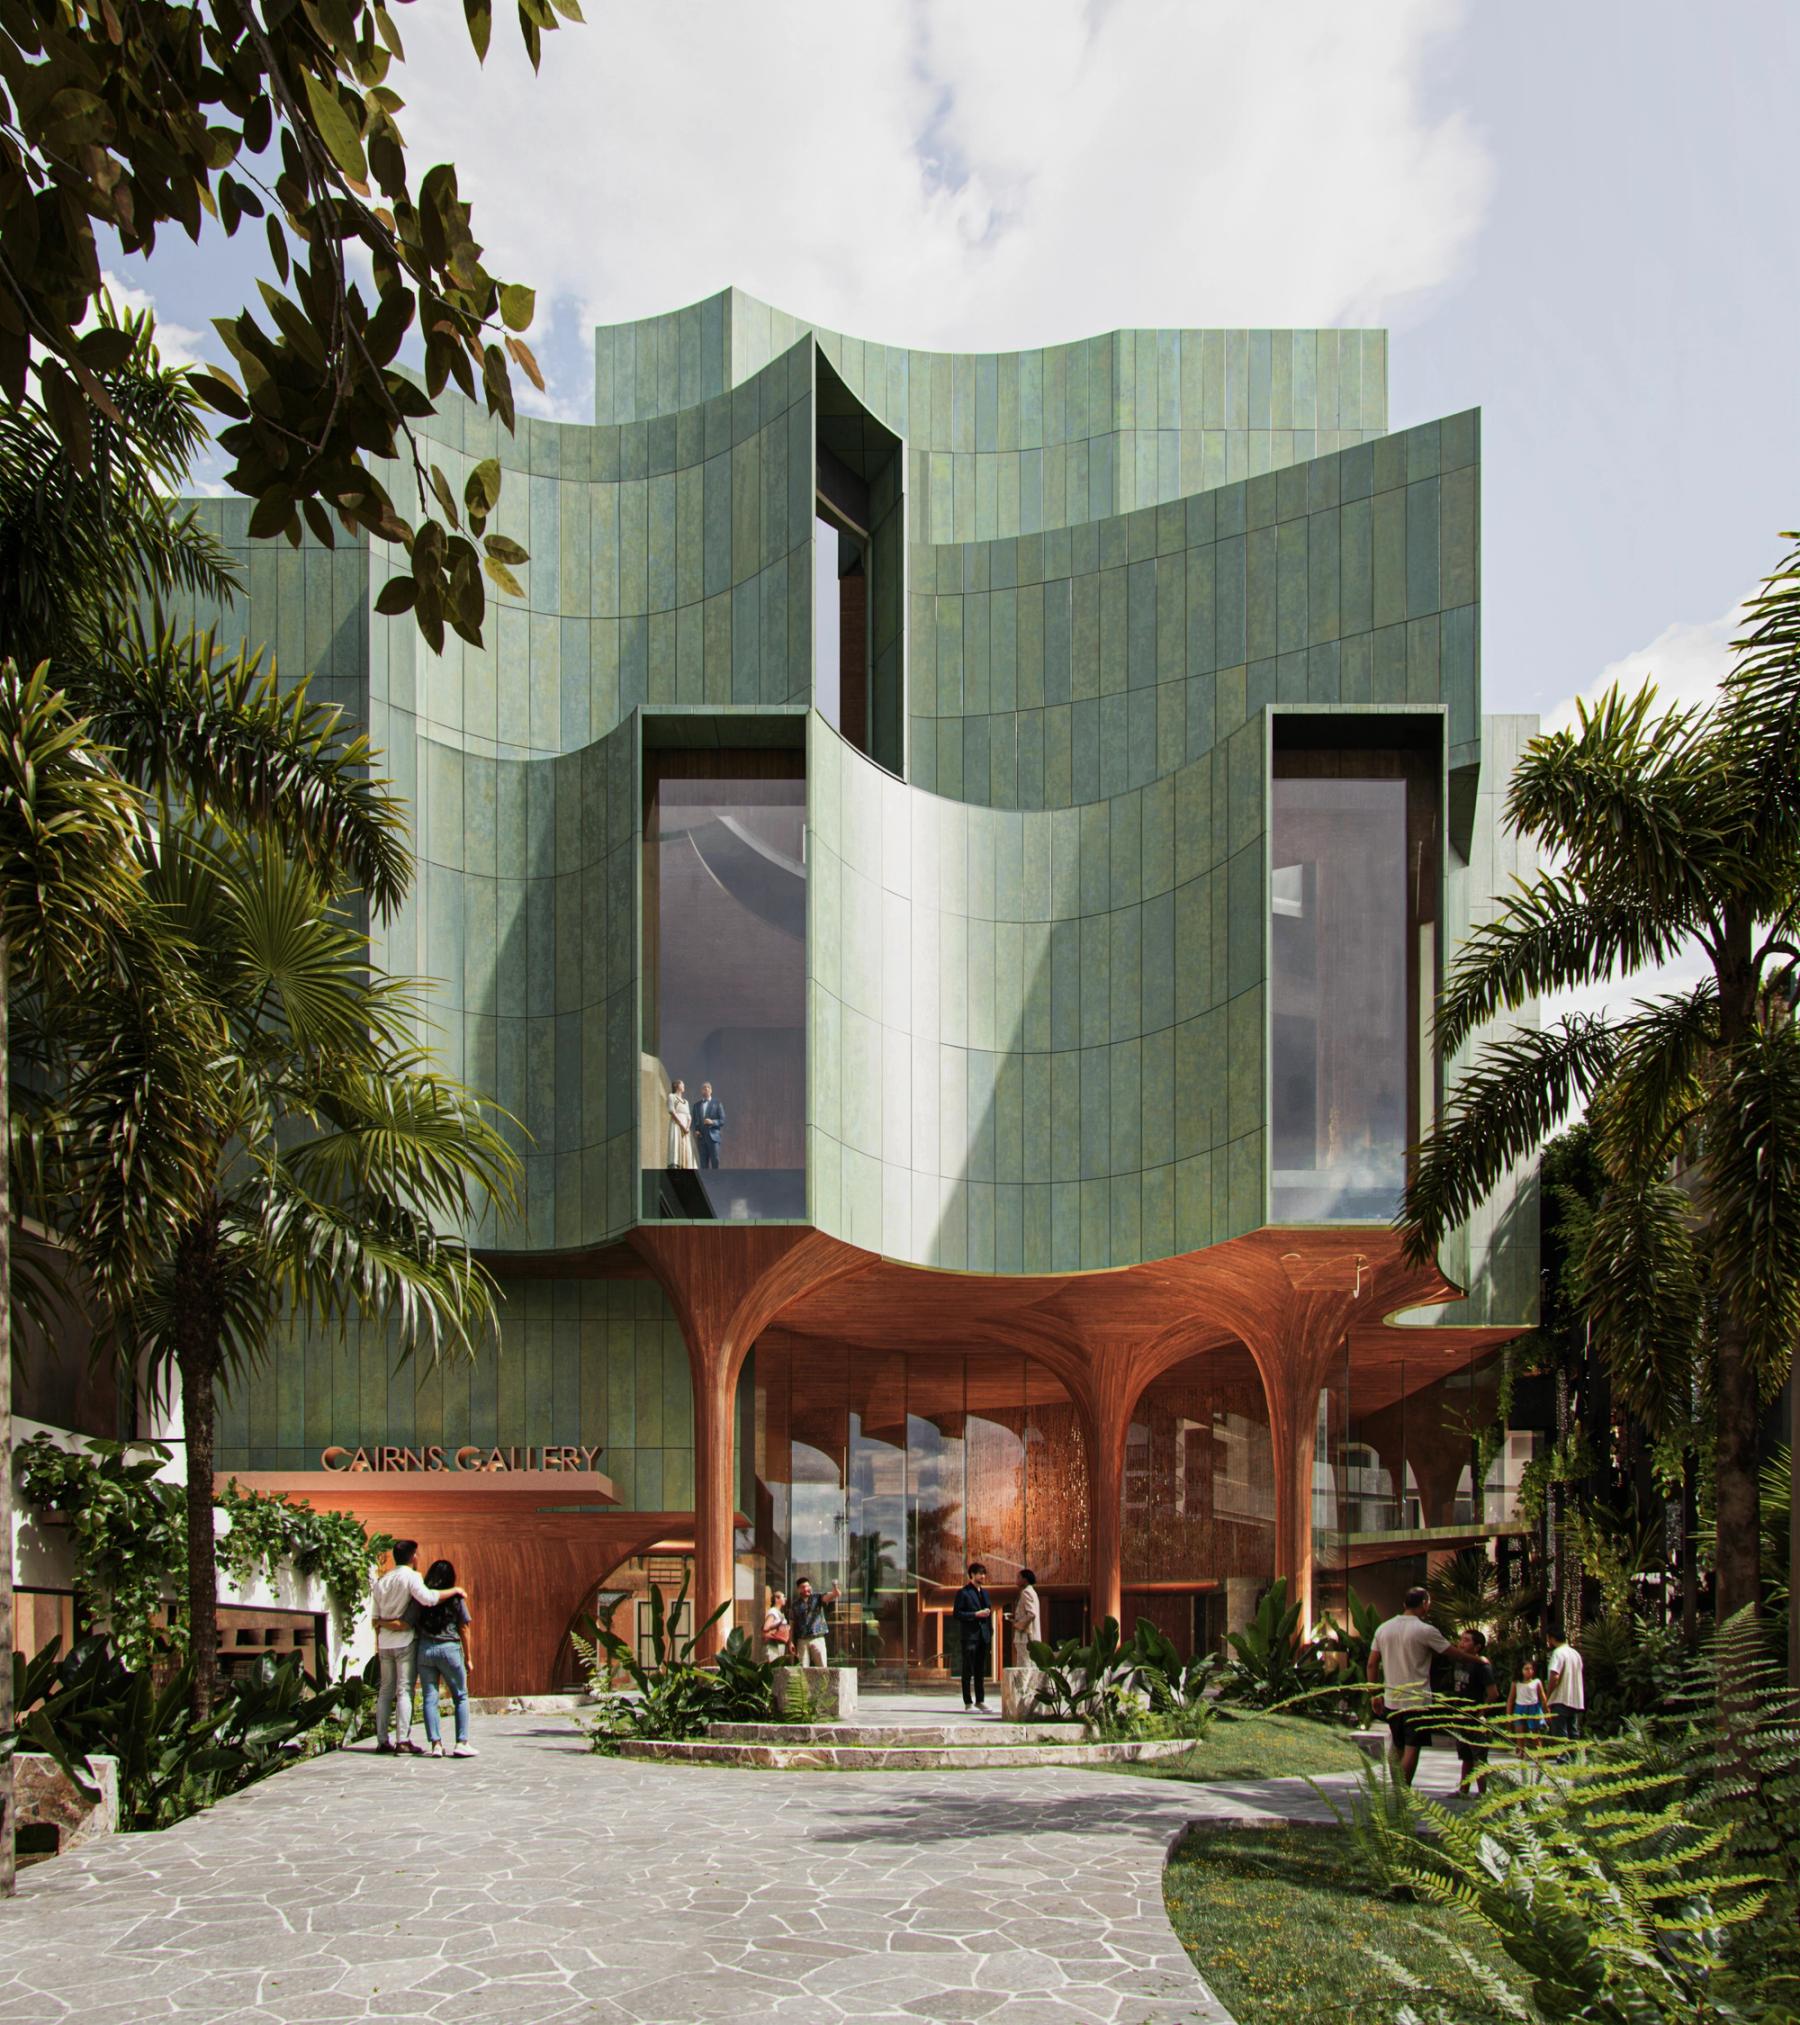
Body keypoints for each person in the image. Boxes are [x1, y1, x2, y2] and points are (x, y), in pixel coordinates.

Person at [370, 1540, 465, 1757]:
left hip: (385, 1642)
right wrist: (455, 1590)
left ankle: (382, 1740)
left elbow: (375, 1618)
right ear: (413, 1556)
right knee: (404, 1690)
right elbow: (429, 1598)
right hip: (404, 1640)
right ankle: (402, 1740)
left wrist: (383, 1629)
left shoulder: (382, 1580)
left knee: (385, 1691)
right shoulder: (412, 1577)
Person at [1367, 1584, 1451, 1786]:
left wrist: (1373, 1693)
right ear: (1425, 1604)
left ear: (1404, 1603)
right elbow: (1450, 1652)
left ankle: (1393, 1792)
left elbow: (1371, 1663)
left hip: (1392, 1699)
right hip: (1417, 1700)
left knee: (1397, 1745)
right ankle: (1401, 1793)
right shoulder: (1425, 1630)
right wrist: (1477, 1660)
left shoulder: (1384, 1628)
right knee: (1412, 1747)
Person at [414, 1558, 477, 1758]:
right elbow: (464, 1627)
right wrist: (468, 1657)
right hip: (449, 1649)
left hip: (425, 1649)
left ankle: (436, 1745)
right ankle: (461, 1742)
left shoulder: (423, 1599)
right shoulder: (455, 1599)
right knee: (460, 1695)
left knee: (430, 1698)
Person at [1446, 1627, 1499, 1794]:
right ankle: (1463, 1791)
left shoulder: (1483, 1666)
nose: (1461, 1644)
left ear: (1477, 1647)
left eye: (1466, 1640)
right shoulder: (1459, 1662)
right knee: (1466, 1756)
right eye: (1461, 1639)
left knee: (1479, 1758)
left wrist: (1480, 1713)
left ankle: (1484, 1794)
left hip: (1475, 1720)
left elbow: (1493, 1694)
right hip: (1461, 1717)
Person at [954, 1562, 995, 1710]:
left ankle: (980, 1700)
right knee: (968, 1669)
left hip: (983, 1636)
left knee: (980, 1670)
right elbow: (957, 1614)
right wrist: (975, 1614)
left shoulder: (985, 1593)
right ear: (972, 1575)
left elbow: (989, 1613)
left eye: (984, 1573)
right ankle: (968, 1702)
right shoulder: (963, 1593)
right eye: (980, 1573)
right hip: (970, 1636)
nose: (983, 1576)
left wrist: (990, 1633)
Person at [788, 1577, 840, 1667]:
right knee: (802, 1668)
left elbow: (834, 1595)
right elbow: (792, 1624)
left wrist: (835, 1587)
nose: (806, 1588)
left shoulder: (818, 1598)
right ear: (799, 1589)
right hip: (802, 1640)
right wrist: (790, 1642)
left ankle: (824, 1682)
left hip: (817, 1638)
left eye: (808, 1586)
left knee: (822, 1667)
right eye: (803, 1587)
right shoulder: (795, 1605)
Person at [1546, 1626, 1586, 1740]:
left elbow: (1555, 1676)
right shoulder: (1575, 1654)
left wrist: (1548, 1697)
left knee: (1560, 1734)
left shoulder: (1558, 1653)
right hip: (1575, 1700)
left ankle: (1563, 1757)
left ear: (1552, 1638)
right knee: (1573, 1733)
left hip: (1560, 1699)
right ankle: (1575, 1757)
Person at [1507, 1656, 1547, 1750]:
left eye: (1531, 1669)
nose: (1529, 1671)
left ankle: (1540, 1756)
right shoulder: (1516, 1683)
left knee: (1535, 1735)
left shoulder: (1537, 1682)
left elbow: (1543, 1698)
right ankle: (1521, 1753)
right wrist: (1508, 1716)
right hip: (1519, 1708)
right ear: (1521, 1670)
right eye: (1526, 1669)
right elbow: (1510, 1700)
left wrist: (1546, 1711)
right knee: (1520, 1734)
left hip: (1533, 1708)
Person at [1009, 1567, 1041, 1665]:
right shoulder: (1031, 1592)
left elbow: (1031, 1613)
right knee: (1027, 1664)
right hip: (1028, 1636)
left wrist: (1018, 1624)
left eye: (1018, 1577)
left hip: (1026, 1637)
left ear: (1025, 1579)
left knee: (1025, 1665)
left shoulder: (1026, 1592)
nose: (1016, 1580)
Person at [693, 1081, 726, 1170]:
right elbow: (695, 1121)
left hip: (713, 1137)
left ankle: (716, 1179)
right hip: (701, 1138)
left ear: (711, 1090)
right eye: (704, 1088)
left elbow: (722, 1120)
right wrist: (696, 1130)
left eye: (708, 1088)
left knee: (715, 1161)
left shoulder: (717, 1103)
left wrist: (712, 1122)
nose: (706, 1089)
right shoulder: (696, 1105)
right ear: (701, 1091)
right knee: (703, 1163)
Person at [666, 1079, 694, 1169]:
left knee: (685, 1147)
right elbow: (672, 1112)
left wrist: (687, 1127)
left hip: (685, 1128)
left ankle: (685, 1165)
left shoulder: (686, 1102)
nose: (683, 1086)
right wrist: (681, 1125)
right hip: (677, 1125)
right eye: (682, 1084)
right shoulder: (672, 1096)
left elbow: (689, 1116)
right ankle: (674, 1163)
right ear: (677, 1086)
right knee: (675, 1142)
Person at [762, 1587, 792, 1664]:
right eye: (783, 1597)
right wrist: (778, 1624)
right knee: (774, 1666)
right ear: (777, 1599)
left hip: (780, 1643)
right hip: (773, 1643)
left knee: (778, 1666)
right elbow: (766, 1627)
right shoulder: (773, 1612)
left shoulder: (779, 1612)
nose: (785, 1599)